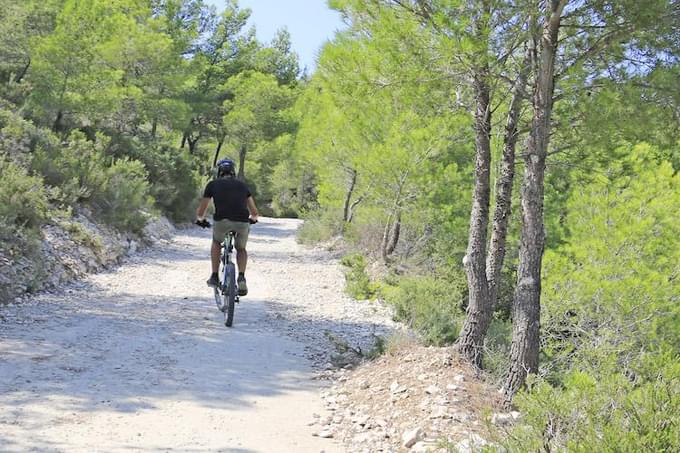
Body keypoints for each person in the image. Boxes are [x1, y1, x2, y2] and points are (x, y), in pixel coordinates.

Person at [195, 158, 258, 296]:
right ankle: (241, 277)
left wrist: (201, 220)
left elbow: (201, 211)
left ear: (219, 172)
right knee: (241, 249)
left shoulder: (212, 185)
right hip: (242, 222)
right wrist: (253, 220)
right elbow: (254, 212)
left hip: (221, 222)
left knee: (217, 242)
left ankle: (214, 276)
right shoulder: (243, 186)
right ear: (233, 172)